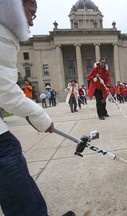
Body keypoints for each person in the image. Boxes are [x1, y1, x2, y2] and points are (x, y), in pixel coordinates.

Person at [0, 0, 75, 215]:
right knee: (9, 159)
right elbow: (4, 90)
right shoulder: (2, 31)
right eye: (31, 12)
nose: (32, 20)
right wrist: (42, 117)